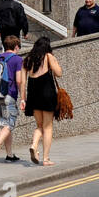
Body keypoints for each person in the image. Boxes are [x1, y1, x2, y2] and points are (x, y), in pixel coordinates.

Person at [19, 36, 62, 166]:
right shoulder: (48, 56)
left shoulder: (27, 60)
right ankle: (46, 159)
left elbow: (22, 82)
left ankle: (34, 145)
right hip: (47, 94)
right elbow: (59, 73)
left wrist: (22, 99)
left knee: (39, 126)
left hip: (33, 95)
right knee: (48, 127)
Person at [0, 35, 25, 166]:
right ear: (16, 47)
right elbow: (19, 80)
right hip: (9, 95)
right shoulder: (17, 60)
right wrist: (22, 96)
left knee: (5, 124)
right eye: (18, 47)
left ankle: (9, 155)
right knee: (10, 124)